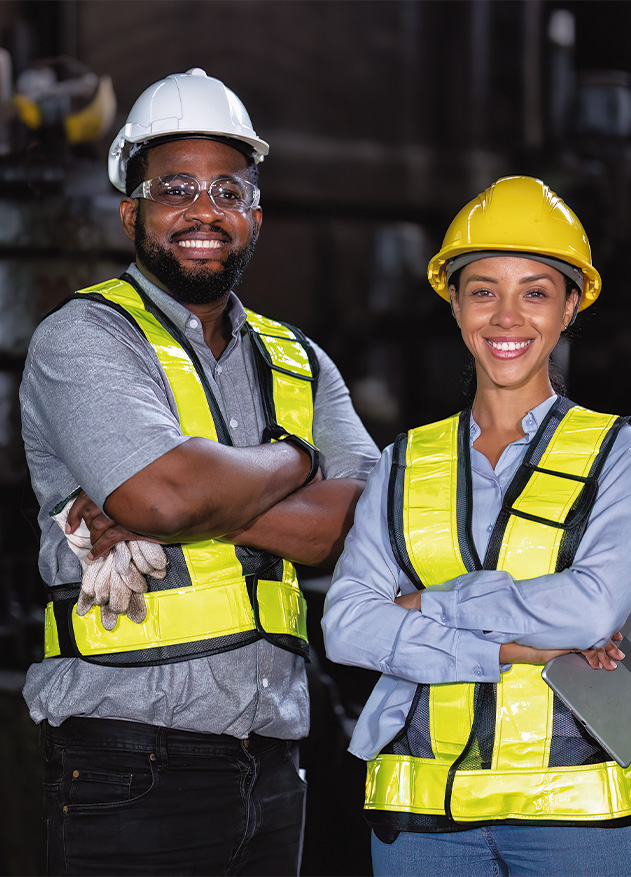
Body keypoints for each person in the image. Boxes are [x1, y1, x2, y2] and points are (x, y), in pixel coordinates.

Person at [20, 68, 379, 876]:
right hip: (127, 760)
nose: (203, 210)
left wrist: (179, 502)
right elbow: (163, 492)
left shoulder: (300, 361)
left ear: (254, 216)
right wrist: (298, 458)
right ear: (132, 212)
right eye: (175, 188)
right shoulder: (85, 338)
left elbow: (355, 522)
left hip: (275, 757)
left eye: (227, 191)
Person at [322, 175, 631, 877]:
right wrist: (517, 649)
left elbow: (591, 610)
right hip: (421, 818)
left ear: (570, 306)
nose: (506, 317)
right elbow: (346, 626)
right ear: (456, 303)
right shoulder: (404, 459)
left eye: (535, 292)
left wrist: (425, 604)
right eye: (484, 291)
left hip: (574, 815)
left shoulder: (617, 451)